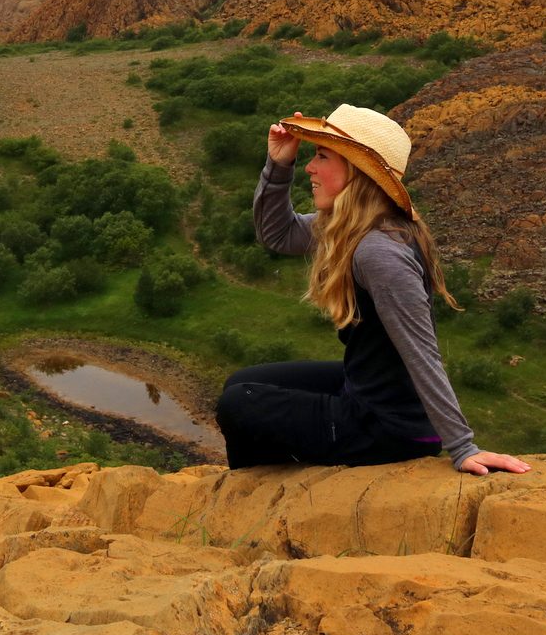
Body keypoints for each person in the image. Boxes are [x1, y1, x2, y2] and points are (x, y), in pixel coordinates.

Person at [214, 103, 530, 477]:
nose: (310, 168)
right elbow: (276, 234)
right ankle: (270, 480)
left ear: (356, 171)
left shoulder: (378, 252)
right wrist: (279, 164)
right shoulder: (351, 227)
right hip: (366, 393)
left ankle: (259, 493)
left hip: (388, 427)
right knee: (243, 382)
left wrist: (462, 446)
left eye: (322, 156)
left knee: (239, 403)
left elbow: (420, 351)